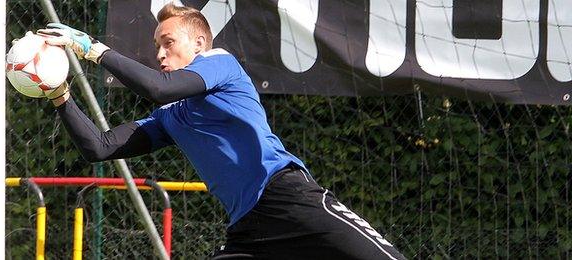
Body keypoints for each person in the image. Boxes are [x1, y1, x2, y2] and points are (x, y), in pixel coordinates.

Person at [37, 3, 406, 259]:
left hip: (288, 198)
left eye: (168, 43)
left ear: (199, 43)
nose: (160, 54)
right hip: (248, 231)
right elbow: (99, 147)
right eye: (156, 47)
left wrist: (92, 49)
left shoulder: (219, 63)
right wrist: (60, 95)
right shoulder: (170, 116)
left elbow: (159, 87)